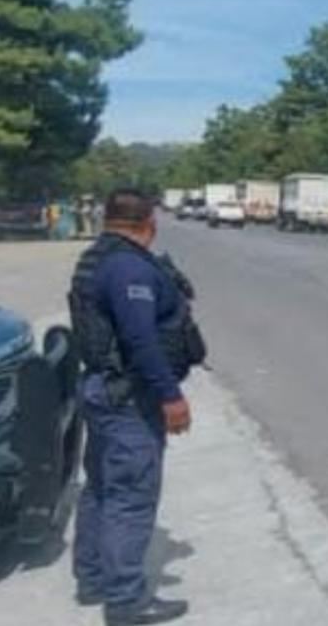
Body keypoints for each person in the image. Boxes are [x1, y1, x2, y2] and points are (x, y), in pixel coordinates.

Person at [69, 189, 206, 625]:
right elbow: (140, 340)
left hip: (102, 390)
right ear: (149, 223)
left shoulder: (97, 257)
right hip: (129, 399)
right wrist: (171, 396)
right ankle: (126, 601)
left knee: (102, 490)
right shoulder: (129, 266)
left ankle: (93, 579)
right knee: (131, 499)